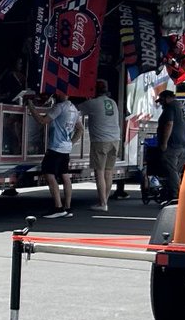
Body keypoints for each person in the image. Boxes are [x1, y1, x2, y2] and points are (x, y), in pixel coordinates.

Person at [27, 89, 80, 218]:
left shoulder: (59, 107)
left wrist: (31, 106)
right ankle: (67, 207)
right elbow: (80, 129)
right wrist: (71, 143)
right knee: (65, 175)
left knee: (49, 174)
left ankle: (58, 207)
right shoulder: (74, 109)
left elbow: (42, 121)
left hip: (56, 147)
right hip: (66, 148)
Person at [79, 79, 121, 211]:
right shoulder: (112, 102)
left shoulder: (93, 103)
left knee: (99, 172)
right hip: (115, 140)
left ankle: (103, 204)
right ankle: (105, 201)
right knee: (108, 172)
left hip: (100, 141)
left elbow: (76, 110)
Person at [156, 89, 185, 202]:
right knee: (177, 171)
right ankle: (178, 193)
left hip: (173, 145)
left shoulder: (170, 107)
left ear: (167, 98)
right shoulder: (182, 107)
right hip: (183, 144)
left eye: (161, 100)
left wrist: (164, 143)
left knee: (171, 170)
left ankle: (176, 195)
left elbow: (169, 124)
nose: (160, 103)